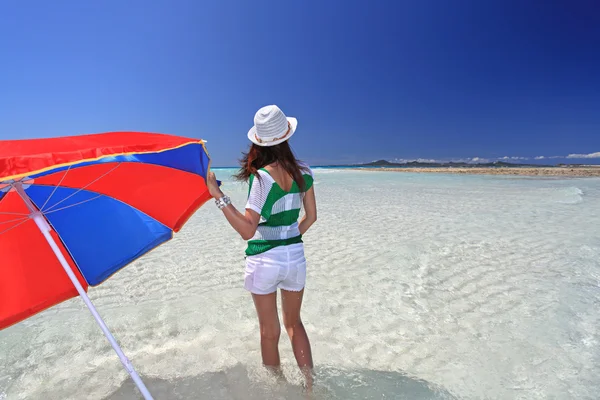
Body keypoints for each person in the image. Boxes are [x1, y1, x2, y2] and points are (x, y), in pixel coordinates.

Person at [206, 105, 317, 390]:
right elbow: (312, 217)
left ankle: (277, 391)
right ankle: (310, 389)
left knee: (270, 332)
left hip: (264, 261)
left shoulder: (262, 178)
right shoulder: (304, 172)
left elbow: (247, 230)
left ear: (258, 141)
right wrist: (290, 237)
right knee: (295, 325)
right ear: (286, 135)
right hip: (295, 258)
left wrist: (218, 195)